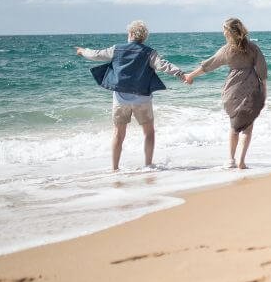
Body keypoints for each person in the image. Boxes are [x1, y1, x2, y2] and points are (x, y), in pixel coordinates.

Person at [75, 20, 187, 171]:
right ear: (143, 37)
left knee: (118, 134)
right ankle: (148, 165)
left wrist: (82, 51)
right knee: (149, 132)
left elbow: (96, 55)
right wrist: (181, 74)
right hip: (143, 99)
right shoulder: (149, 52)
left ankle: (114, 168)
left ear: (132, 34)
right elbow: (163, 65)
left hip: (120, 100)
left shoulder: (117, 49)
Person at [185, 18, 267, 170]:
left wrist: (191, 75)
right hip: (252, 88)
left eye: (224, 29)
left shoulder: (227, 50)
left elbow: (209, 65)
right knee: (248, 127)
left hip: (232, 90)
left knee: (234, 126)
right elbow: (262, 70)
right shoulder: (253, 48)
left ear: (230, 32)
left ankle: (230, 160)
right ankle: (241, 162)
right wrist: (264, 90)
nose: (223, 32)